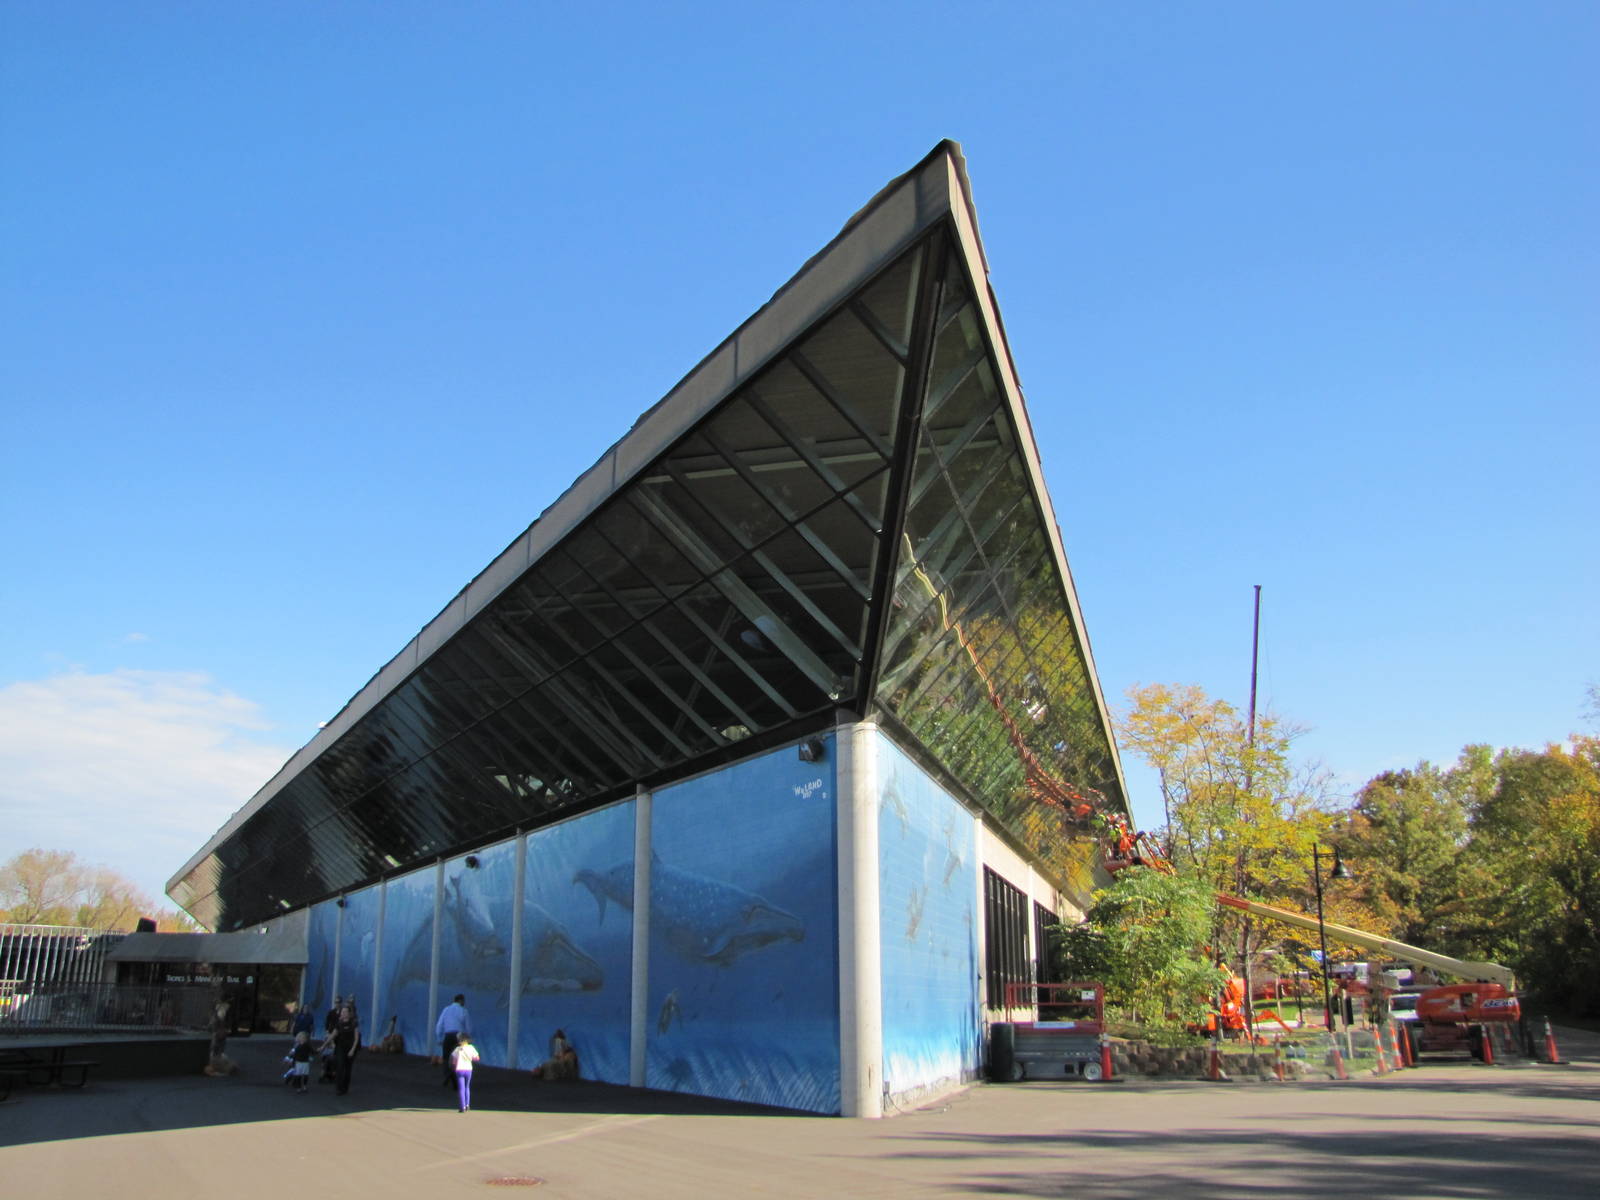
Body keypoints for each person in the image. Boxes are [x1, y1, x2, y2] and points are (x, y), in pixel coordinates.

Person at [435, 994, 472, 1088]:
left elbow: (439, 1025)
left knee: (446, 1058)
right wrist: (468, 1039)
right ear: (460, 1000)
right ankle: (457, 1077)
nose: (464, 1003)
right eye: (463, 1001)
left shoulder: (446, 1010)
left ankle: (448, 1074)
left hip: (448, 1035)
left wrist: (439, 1038)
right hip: (459, 1036)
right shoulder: (464, 1011)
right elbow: (468, 1027)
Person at [327, 1004, 360, 1096]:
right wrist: (324, 1046)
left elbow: (356, 1038)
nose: (343, 1013)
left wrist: (352, 1049)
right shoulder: (339, 1024)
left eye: (345, 1012)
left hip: (350, 1048)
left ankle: (345, 1087)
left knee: (347, 1069)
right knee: (340, 1067)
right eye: (342, 1012)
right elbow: (332, 1035)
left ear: (349, 1013)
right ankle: (339, 1088)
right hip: (340, 1048)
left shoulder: (353, 1024)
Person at [450, 1033, 480, 1112]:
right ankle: (467, 1105)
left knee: (461, 1088)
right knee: (467, 1087)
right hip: (468, 1069)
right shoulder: (471, 1048)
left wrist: (454, 1065)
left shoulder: (457, 1049)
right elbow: (477, 1058)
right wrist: (470, 1058)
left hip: (459, 1069)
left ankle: (462, 1107)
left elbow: (454, 1062)